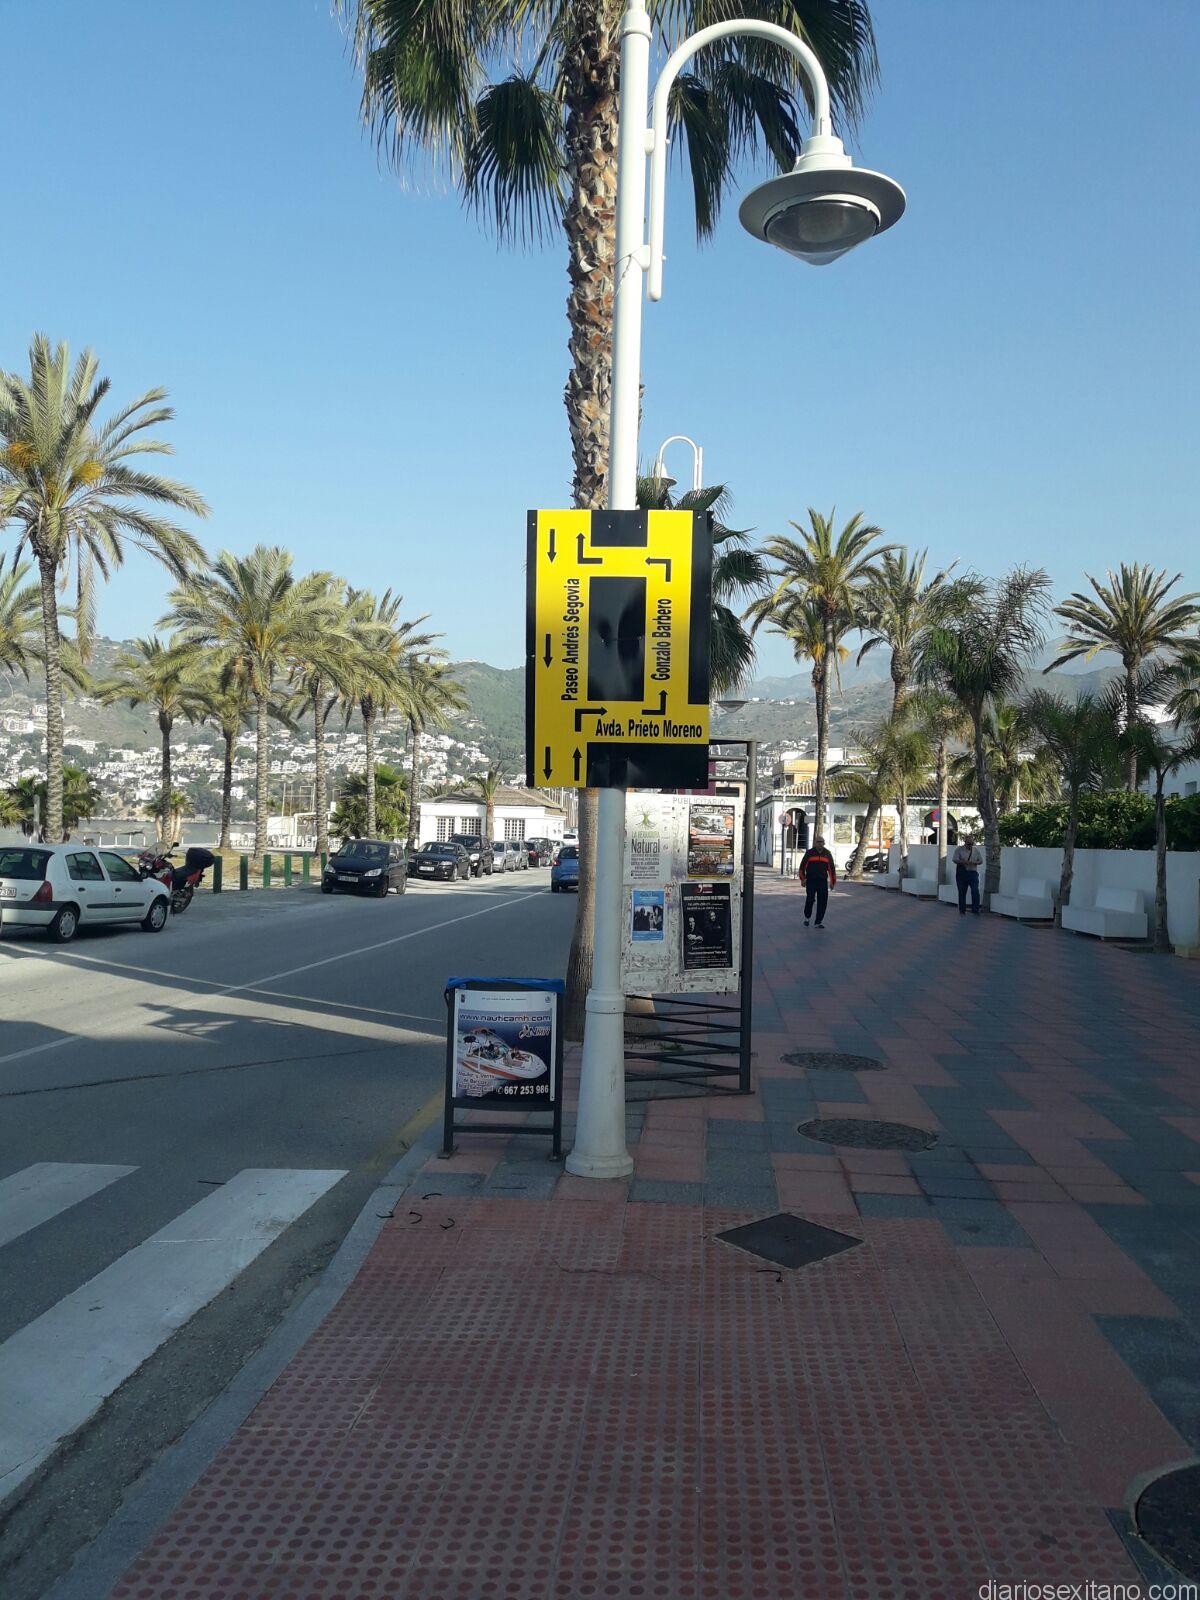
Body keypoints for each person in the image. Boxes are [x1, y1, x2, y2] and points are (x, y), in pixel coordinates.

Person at [799, 835, 837, 928]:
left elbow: (831, 869)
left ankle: (818, 922)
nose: (820, 844)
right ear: (815, 843)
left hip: (822, 881)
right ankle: (807, 917)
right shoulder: (809, 853)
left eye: (821, 842)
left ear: (824, 843)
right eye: (818, 842)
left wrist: (832, 882)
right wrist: (803, 879)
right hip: (811, 881)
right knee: (810, 899)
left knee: (823, 901)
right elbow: (802, 867)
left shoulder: (827, 853)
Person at [953, 832, 983, 915]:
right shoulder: (959, 849)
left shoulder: (975, 850)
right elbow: (954, 859)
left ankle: (975, 909)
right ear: (965, 842)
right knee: (962, 892)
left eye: (972, 844)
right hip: (962, 873)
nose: (970, 845)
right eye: (969, 844)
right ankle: (962, 910)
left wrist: (975, 862)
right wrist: (963, 862)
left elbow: (981, 861)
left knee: (975, 891)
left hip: (973, 872)